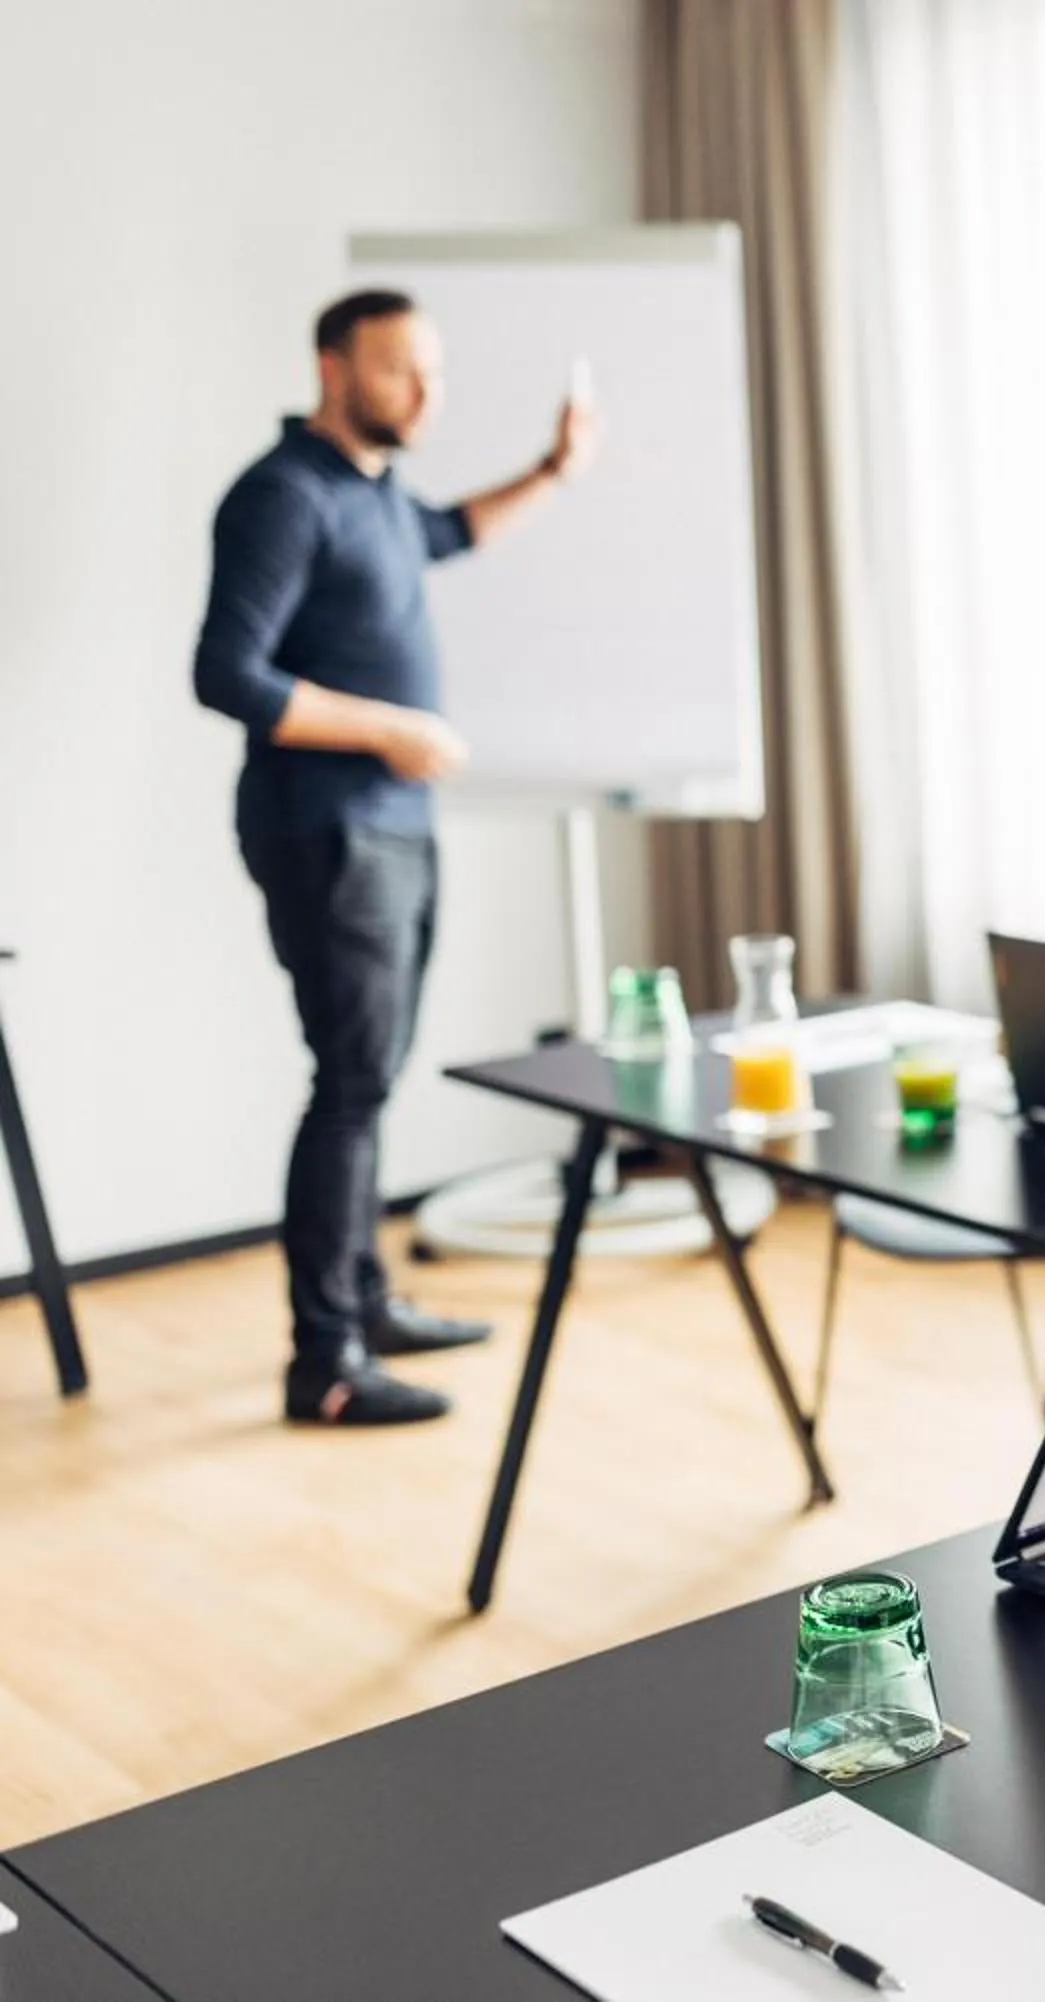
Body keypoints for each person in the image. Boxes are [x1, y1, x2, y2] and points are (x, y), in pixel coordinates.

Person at [193, 291, 596, 1427]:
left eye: (432, 370)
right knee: (352, 1081)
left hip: (391, 830)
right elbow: (227, 674)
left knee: (368, 1077)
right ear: (333, 368)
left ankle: (365, 1306)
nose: (425, 391)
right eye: (399, 370)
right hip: (327, 827)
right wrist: (390, 728)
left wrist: (552, 472)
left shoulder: (373, 497)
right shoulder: (283, 497)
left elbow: (450, 532)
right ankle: (324, 1358)